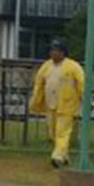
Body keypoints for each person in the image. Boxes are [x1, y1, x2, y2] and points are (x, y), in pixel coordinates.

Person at [29, 39, 85, 168]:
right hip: (50, 104)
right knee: (53, 133)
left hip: (67, 105)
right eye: (51, 50)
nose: (53, 53)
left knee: (62, 132)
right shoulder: (46, 66)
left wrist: (87, 99)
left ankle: (57, 156)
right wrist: (35, 100)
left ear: (63, 52)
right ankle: (64, 156)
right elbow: (39, 83)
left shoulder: (73, 66)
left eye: (56, 51)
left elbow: (82, 84)